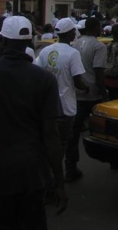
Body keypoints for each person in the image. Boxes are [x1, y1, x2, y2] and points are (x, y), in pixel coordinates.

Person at [0, 16, 68, 228]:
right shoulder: (44, 79)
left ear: (3, 41)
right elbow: (51, 134)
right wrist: (58, 182)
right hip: (32, 172)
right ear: (29, 42)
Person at [35, 18, 87, 157]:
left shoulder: (46, 50)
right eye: (73, 31)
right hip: (66, 108)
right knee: (61, 144)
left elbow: (37, 72)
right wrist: (87, 89)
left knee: (47, 143)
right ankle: (57, 175)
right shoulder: (72, 53)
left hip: (47, 106)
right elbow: (78, 82)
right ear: (70, 33)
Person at [67, 17, 107, 182]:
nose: (101, 29)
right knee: (103, 130)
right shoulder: (99, 46)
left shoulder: (75, 44)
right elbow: (99, 72)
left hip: (76, 94)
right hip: (93, 95)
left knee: (73, 133)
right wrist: (104, 94)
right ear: (95, 27)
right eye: (100, 26)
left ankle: (70, 166)